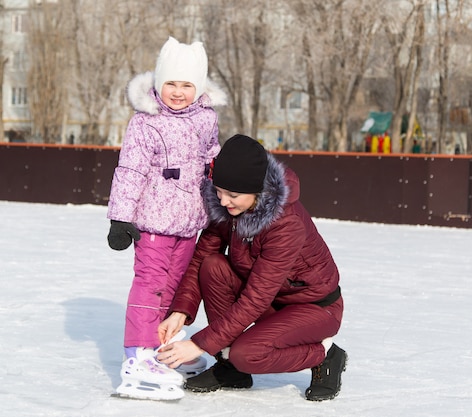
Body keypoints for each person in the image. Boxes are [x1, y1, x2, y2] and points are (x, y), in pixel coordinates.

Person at [156, 134, 347, 401]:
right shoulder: (228, 209)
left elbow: (255, 299)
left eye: (233, 195)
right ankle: (230, 369)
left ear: (257, 191)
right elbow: (201, 258)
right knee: (213, 266)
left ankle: (325, 354)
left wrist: (200, 344)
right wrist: (180, 310)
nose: (223, 201)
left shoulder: (285, 224)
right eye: (219, 192)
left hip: (314, 308)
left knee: (247, 354)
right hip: (271, 300)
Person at [106, 37, 227, 401]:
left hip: (190, 223)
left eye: (187, 84)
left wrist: (221, 205)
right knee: (150, 285)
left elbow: (214, 163)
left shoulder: (207, 119)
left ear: (199, 87)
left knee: (176, 288)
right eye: (171, 83)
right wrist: (120, 217)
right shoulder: (146, 122)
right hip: (152, 224)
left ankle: (165, 345)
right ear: (159, 84)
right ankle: (138, 355)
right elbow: (130, 170)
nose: (178, 92)